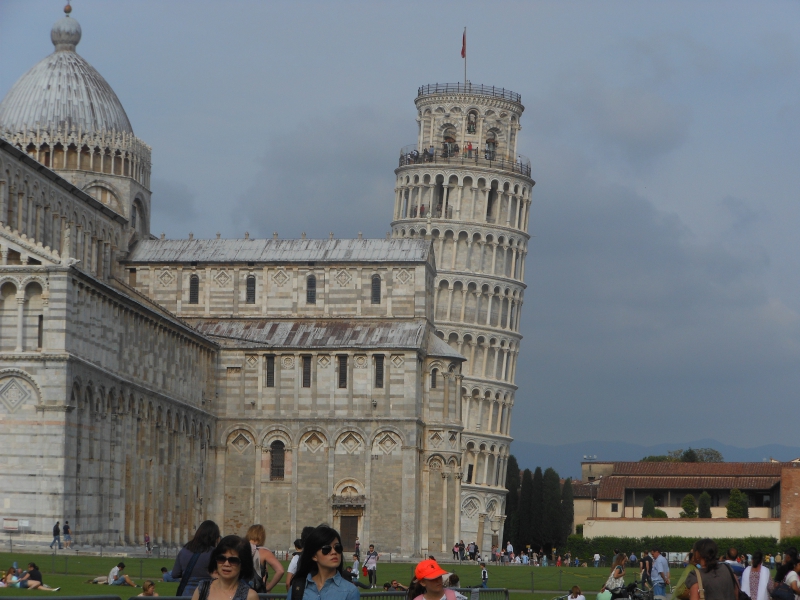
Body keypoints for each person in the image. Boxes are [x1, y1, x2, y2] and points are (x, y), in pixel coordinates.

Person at [286, 524, 358, 600]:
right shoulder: (297, 588)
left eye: (337, 547)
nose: (334, 552)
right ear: (314, 556)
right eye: (326, 549)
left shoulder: (350, 591)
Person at [192, 535, 258, 600]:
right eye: (221, 558)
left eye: (233, 560)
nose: (226, 564)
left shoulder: (249, 596)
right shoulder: (202, 589)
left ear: (243, 564)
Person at [172, 519, 220, 597]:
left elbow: (175, 574)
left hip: (186, 593)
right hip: (207, 593)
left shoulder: (184, 550)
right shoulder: (214, 553)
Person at [246, 524, 285, 592]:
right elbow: (280, 570)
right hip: (257, 592)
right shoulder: (263, 552)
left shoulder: (239, 548)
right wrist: (268, 588)